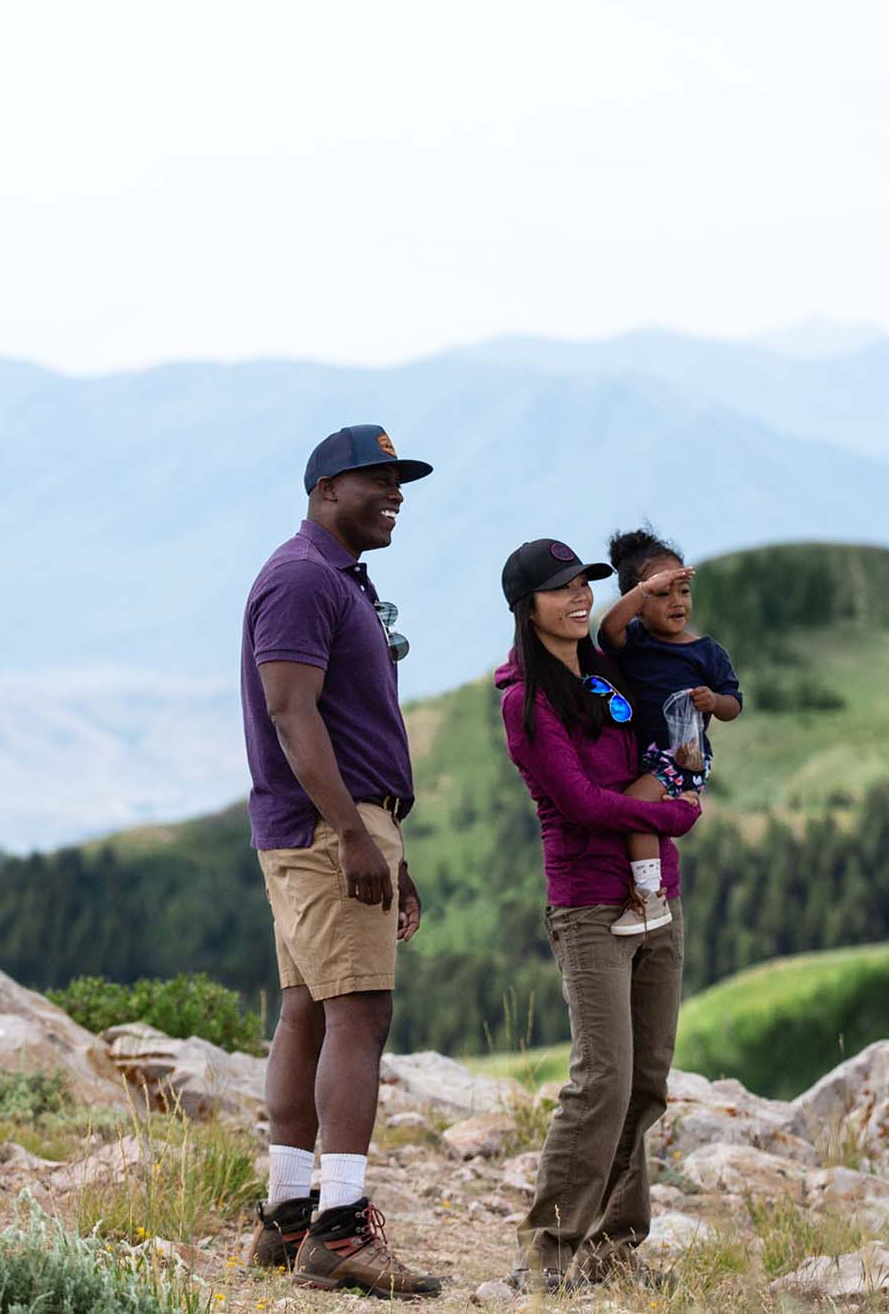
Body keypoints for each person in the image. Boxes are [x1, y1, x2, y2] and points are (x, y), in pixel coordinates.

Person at [241, 424, 441, 1298]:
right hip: (328, 827)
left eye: (401, 481)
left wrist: (386, 842)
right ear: (326, 489)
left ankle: (288, 1215)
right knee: (359, 1012)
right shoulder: (302, 578)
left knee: (309, 1014)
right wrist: (355, 835)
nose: (395, 493)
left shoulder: (337, 580)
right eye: (378, 480)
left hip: (331, 825)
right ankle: (341, 1231)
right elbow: (293, 715)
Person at [493, 537, 704, 1292]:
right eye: (560, 589)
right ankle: (548, 1253)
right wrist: (675, 817)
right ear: (526, 607)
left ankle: (614, 1253)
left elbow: (620, 621)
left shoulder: (604, 668)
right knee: (603, 1079)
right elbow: (579, 804)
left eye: (583, 584)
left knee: (647, 1081)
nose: (578, 598)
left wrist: (654, 585)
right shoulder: (528, 699)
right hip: (588, 902)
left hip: (658, 896)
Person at [597, 525, 742, 937]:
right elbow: (607, 630)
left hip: (682, 755)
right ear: (638, 602)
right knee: (637, 805)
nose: (677, 602)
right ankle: (679, 801)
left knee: (633, 809)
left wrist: (714, 701)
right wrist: (643, 591)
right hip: (646, 756)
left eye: (683, 590)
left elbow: (735, 704)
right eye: (662, 594)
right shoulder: (636, 641)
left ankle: (649, 898)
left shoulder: (706, 653)